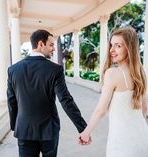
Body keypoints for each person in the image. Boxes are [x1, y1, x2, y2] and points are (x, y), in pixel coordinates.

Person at [7, 29, 89, 157]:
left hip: (24, 129)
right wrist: (83, 128)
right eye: (51, 45)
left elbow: (12, 102)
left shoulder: (13, 70)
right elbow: (66, 101)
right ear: (40, 44)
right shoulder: (55, 70)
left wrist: (15, 125)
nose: (54, 49)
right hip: (49, 130)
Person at [79, 27, 148, 157]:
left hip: (122, 143)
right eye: (111, 45)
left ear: (129, 48)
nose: (111, 50)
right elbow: (144, 109)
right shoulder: (141, 73)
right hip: (142, 139)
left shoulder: (112, 73)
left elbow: (101, 110)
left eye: (118, 46)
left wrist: (86, 133)